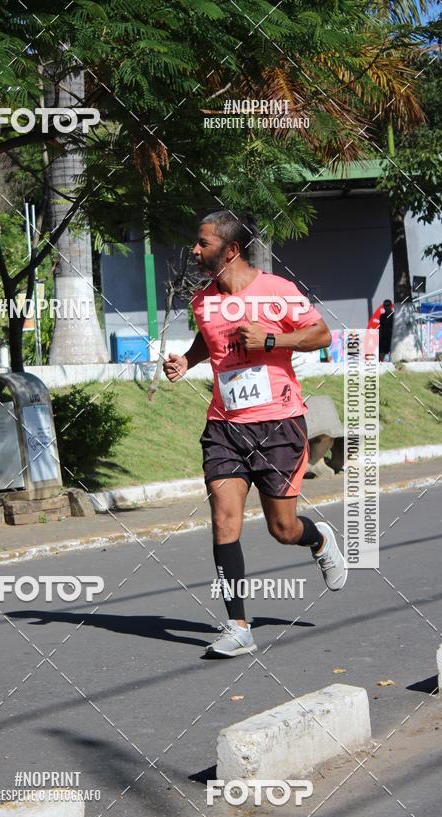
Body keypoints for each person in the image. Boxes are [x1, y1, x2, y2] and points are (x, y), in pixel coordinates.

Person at [163, 211, 347, 658]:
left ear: (230, 250)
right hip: (225, 427)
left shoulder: (277, 291)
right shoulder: (203, 300)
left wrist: (271, 341)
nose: (194, 250)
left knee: (282, 528)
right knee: (224, 520)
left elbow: (322, 334)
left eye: (203, 243)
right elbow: (209, 339)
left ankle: (319, 539)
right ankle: (238, 626)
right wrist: (188, 360)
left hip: (278, 423)